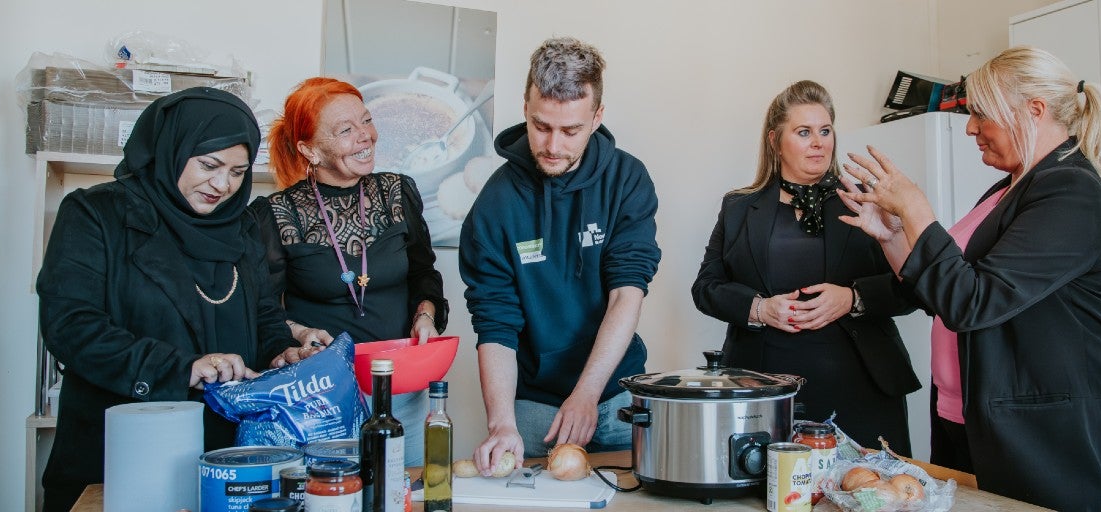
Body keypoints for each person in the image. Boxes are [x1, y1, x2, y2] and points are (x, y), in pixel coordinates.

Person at [838, 46, 1101, 511]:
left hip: (1046, 435)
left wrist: (916, 209)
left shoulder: (1072, 191)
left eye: (981, 113)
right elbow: (942, 294)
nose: (970, 127)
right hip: (969, 415)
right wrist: (893, 236)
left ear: (1033, 110)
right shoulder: (1007, 189)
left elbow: (973, 303)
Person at [36, 87, 307, 511]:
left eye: (238, 172)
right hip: (123, 453)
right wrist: (181, 368)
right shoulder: (98, 214)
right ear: (171, 149)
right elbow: (70, 326)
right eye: (209, 165)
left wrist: (282, 352)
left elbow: (264, 315)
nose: (223, 185)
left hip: (225, 457)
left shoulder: (241, 226)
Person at [459, 36, 661, 473]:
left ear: (597, 117)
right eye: (541, 126)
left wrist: (587, 393)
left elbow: (626, 293)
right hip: (536, 405)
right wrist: (501, 424)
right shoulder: (496, 203)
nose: (553, 145)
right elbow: (495, 321)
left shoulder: (627, 179)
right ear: (525, 108)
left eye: (570, 131)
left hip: (617, 391)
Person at [691, 80, 921, 455]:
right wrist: (760, 308)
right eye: (804, 132)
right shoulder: (738, 207)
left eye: (825, 131)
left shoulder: (868, 201)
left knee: (869, 487)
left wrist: (853, 298)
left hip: (863, 390)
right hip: (764, 392)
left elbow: (912, 288)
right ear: (775, 141)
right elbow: (706, 288)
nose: (819, 142)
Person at [249, 77, 448, 466]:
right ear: (309, 149)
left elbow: (423, 274)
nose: (365, 136)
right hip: (323, 396)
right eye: (345, 130)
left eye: (366, 121)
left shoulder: (397, 193)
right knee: (333, 490)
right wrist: (299, 333)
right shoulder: (276, 213)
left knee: (405, 488)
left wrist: (425, 314)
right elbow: (261, 308)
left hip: (402, 388)